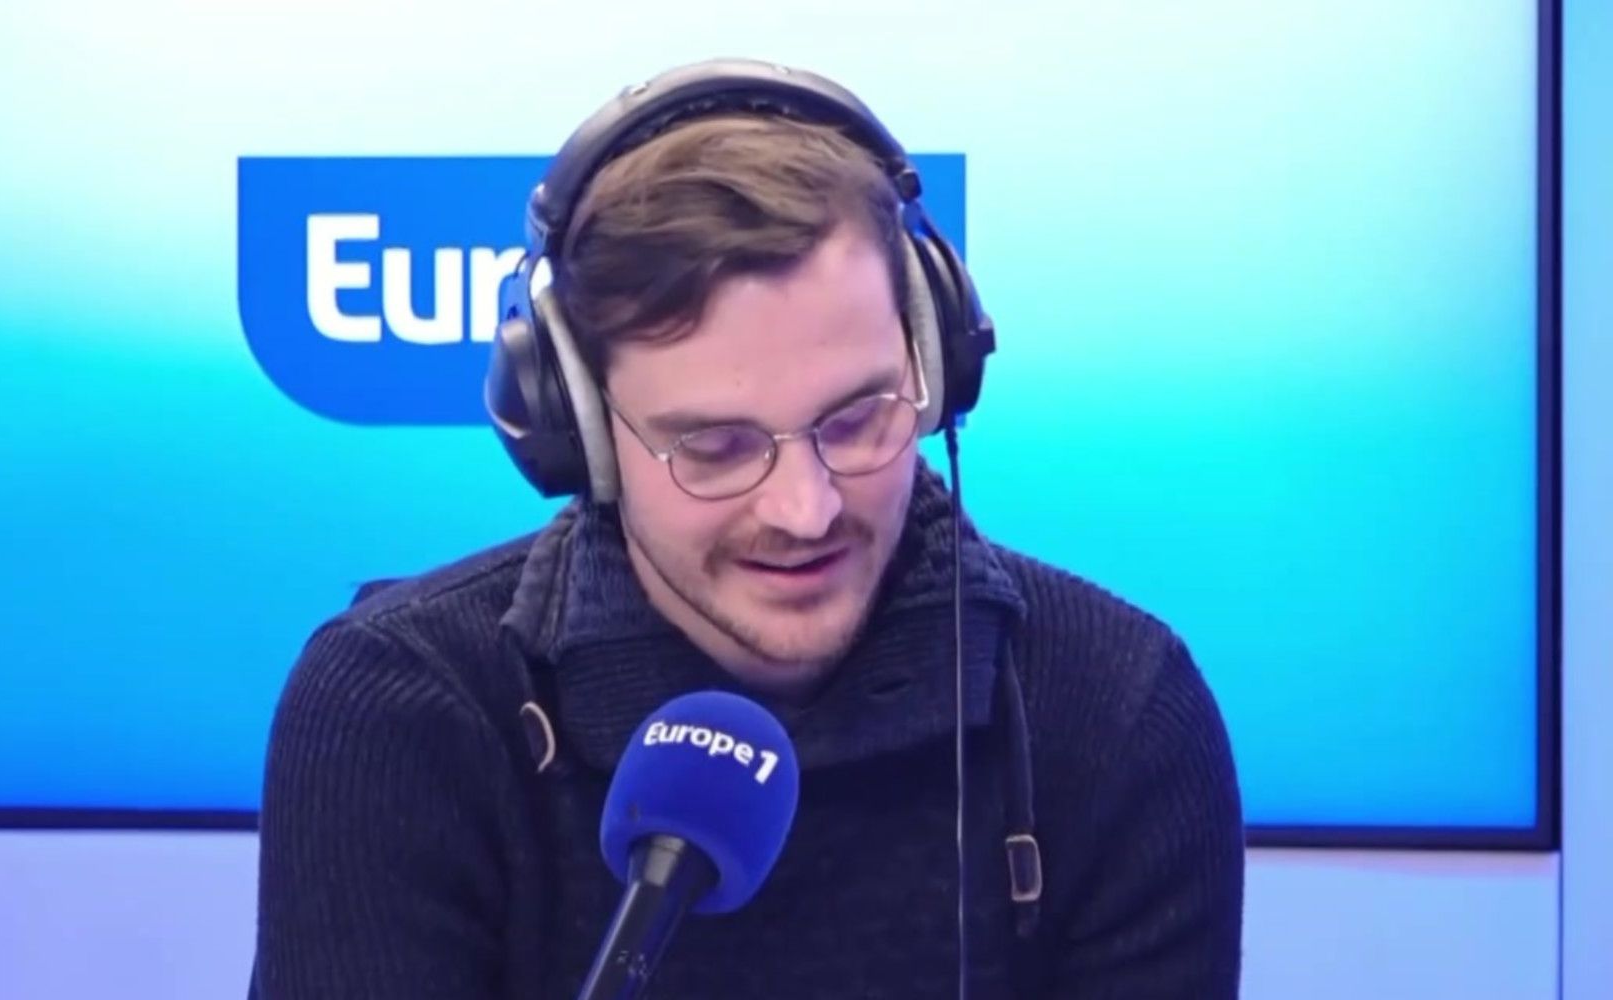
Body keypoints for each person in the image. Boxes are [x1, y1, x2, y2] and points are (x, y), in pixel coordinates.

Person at [250, 58, 1244, 999]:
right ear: (582, 435)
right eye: (716, 447)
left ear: (933, 370)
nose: (805, 510)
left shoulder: (1114, 711)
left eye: (856, 420)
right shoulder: (404, 717)